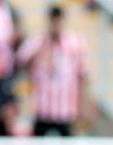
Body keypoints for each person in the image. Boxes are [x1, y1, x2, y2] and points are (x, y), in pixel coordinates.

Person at [17, 4, 88, 137]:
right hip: (42, 110)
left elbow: (82, 77)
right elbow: (20, 62)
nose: (55, 23)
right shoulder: (37, 41)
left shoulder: (75, 43)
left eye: (58, 19)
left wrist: (83, 108)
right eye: (52, 19)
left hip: (66, 111)